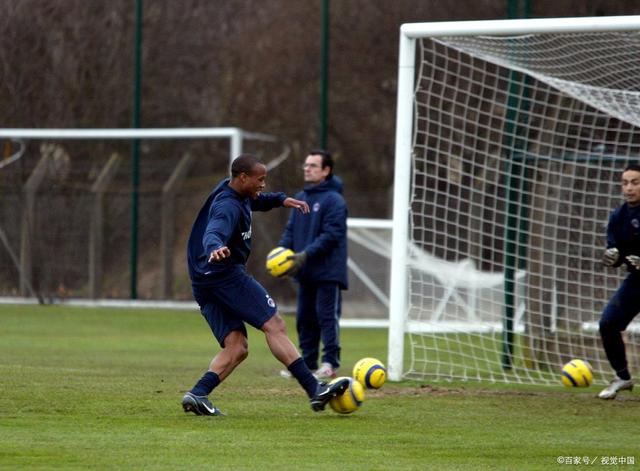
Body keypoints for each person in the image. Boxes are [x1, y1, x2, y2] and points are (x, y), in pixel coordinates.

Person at [182, 153, 349, 415]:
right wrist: (215, 246)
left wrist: (282, 199)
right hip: (224, 275)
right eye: (260, 180)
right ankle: (314, 388)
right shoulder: (227, 206)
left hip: (203, 281)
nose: (262, 185)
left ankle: (198, 393)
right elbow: (215, 229)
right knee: (275, 324)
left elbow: (257, 201)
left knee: (237, 347)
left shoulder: (235, 192)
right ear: (243, 177)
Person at [278, 149, 348, 380]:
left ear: (326, 171)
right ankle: (307, 364)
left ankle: (330, 363)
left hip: (327, 271)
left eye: (313, 166)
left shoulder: (334, 200)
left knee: (326, 317)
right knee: (304, 318)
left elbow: (332, 235)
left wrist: (306, 254)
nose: (307, 168)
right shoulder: (301, 197)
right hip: (305, 270)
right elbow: (291, 231)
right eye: (306, 165)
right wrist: (281, 253)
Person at [598, 163, 640, 399]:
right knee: (608, 323)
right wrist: (611, 257)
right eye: (625, 183)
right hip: (637, 281)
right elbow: (615, 253)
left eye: (635, 182)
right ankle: (622, 377)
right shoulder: (619, 216)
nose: (628, 188)